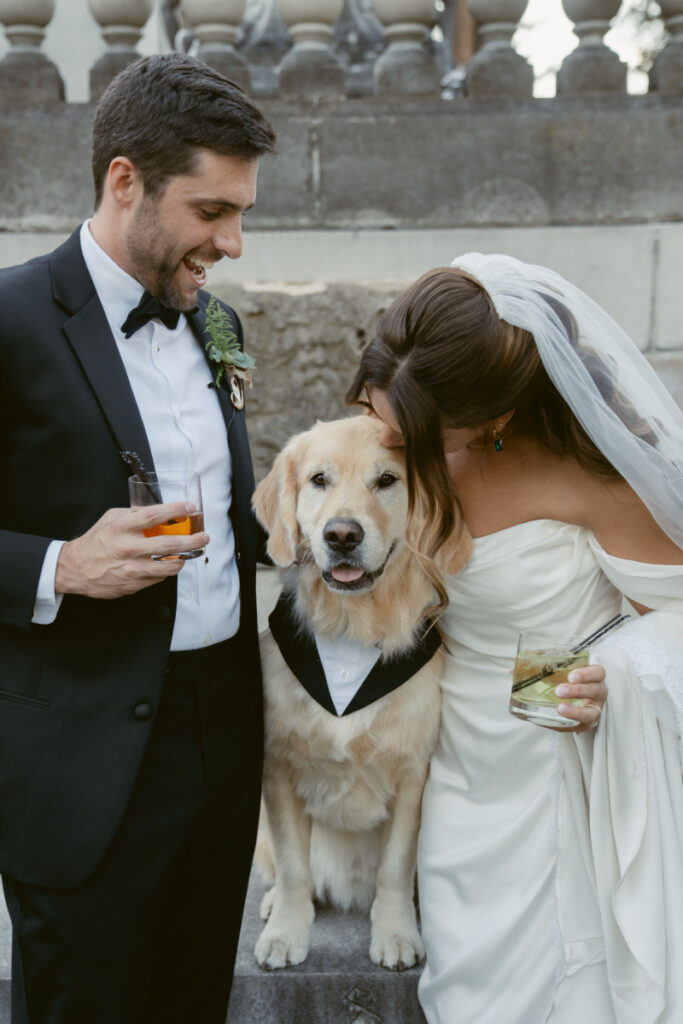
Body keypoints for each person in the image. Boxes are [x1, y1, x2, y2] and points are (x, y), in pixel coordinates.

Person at [0, 53, 275, 1024]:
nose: (232, 242)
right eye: (211, 212)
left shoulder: (218, 322)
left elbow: (237, 523)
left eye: (240, 212)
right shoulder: (11, 317)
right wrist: (58, 565)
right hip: (80, 764)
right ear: (125, 181)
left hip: (220, 743)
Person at [346, 253, 683, 1024]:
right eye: (375, 412)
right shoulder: (394, 437)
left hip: (552, 760)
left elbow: (671, 617)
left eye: (405, 429)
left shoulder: (594, 478)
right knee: (468, 983)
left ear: (492, 419)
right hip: (454, 759)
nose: (384, 439)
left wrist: (612, 671)